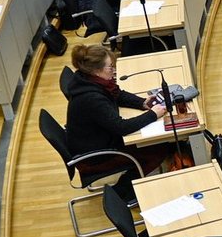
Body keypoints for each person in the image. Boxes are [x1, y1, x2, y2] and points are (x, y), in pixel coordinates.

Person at [64, 43, 173, 185]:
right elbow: (121, 127)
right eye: (110, 67)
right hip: (98, 155)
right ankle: (124, 192)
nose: (114, 70)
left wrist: (142, 102)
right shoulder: (91, 98)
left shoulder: (88, 80)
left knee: (158, 142)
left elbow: (117, 95)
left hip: (101, 139)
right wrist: (152, 114)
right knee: (158, 149)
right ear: (97, 71)